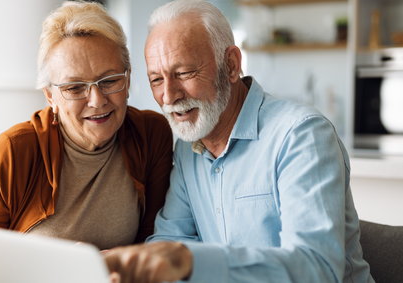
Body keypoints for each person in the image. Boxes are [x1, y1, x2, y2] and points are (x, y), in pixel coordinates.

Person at [103, 0, 374, 282]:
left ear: (231, 65)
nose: (169, 97)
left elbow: (317, 269)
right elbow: (170, 240)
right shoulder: (189, 149)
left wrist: (189, 261)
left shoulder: (301, 136)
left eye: (183, 73)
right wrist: (125, 266)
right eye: (157, 79)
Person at [0, 1, 173, 250]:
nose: (97, 100)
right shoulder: (14, 150)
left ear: (128, 78)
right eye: (74, 87)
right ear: (50, 96)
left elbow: (152, 241)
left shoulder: (151, 133)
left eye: (109, 80)